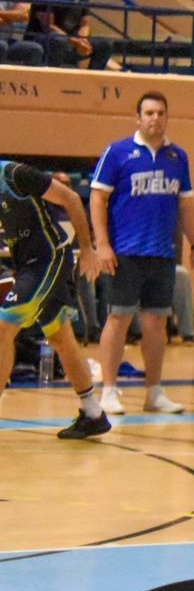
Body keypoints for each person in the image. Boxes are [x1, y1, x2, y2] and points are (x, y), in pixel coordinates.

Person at [90, 92, 194, 416]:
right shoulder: (118, 152)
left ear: (167, 117)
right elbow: (97, 198)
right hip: (124, 252)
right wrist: (102, 245)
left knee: (156, 323)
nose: (155, 118)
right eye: (149, 113)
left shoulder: (178, 157)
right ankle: (108, 390)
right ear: (138, 118)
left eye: (160, 113)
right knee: (119, 318)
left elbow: (185, 204)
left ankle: (154, 392)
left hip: (162, 253)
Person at [0, 161, 107, 438]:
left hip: (48, 260)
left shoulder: (15, 175)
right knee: (61, 338)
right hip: (27, 266)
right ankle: (93, 413)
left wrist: (87, 249)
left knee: (2, 329)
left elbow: (71, 199)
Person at [25, 0, 112, 70]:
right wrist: (74, 41)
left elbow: (85, 24)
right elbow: (48, 26)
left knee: (105, 44)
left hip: (73, 40)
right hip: (44, 37)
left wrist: (83, 40)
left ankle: (92, 78)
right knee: (58, 41)